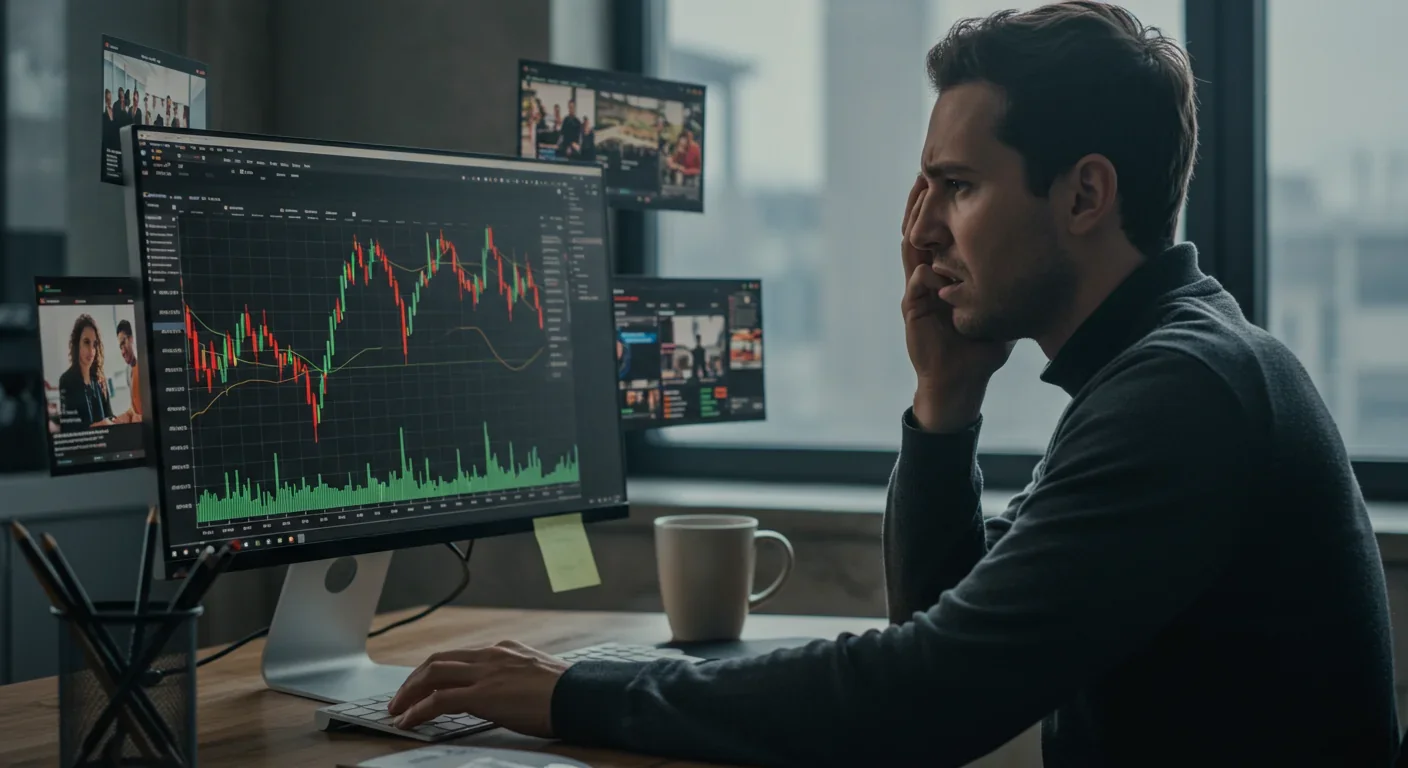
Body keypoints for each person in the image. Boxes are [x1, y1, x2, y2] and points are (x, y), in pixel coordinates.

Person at [383, 3, 1400, 766]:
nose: (922, 230)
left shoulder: (1183, 393)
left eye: (956, 186)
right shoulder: (1167, 366)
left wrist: (575, 693)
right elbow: (945, 633)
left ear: (1084, 194)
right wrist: (944, 405)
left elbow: (925, 701)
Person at [57, 314, 114, 430]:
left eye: (95, 344)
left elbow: (110, 416)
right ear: (77, 344)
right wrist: (102, 425)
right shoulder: (66, 381)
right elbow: (69, 429)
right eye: (86, 342)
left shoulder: (100, 379)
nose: (91, 350)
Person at [112, 319, 142, 424]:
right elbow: (134, 410)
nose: (123, 351)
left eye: (124, 343)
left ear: (132, 338)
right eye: (120, 347)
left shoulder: (146, 366)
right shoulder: (128, 372)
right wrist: (117, 421)